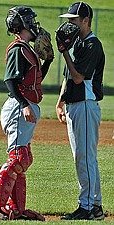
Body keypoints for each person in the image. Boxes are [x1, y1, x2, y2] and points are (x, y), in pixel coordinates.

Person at [0, 6, 53, 220]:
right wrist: (24, 105)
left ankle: (16, 210)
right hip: (18, 108)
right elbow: (10, 81)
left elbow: (35, 79)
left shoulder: (27, 49)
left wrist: (47, 61)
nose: (34, 24)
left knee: (24, 158)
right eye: (30, 20)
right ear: (20, 24)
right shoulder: (17, 49)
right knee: (18, 156)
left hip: (25, 107)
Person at [56, 1, 105, 220]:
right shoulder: (79, 43)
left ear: (85, 20)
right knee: (82, 157)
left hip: (86, 105)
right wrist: (60, 102)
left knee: (85, 158)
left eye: (73, 20)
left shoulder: (93, 45)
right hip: (75, 105)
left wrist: (64, 52)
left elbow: (77, 77)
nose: (69, 24)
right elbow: (68, 77)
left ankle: (89, 206)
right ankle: (92, 204)